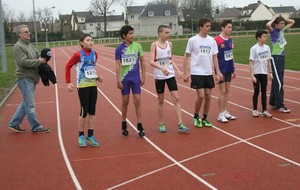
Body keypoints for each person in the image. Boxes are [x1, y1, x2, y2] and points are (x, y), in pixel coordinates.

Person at [8, 25, 50, 133]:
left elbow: (37, 54)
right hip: (25, 77)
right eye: (26, 32)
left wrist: (45, 54)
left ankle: (14, 123)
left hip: (31, 77)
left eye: (28, 31)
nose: (29, 33)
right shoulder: (18, 47)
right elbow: (23, 62)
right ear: (19, 35)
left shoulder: (29, 44)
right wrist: (38, 61)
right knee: (30, 104)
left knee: (25, 103)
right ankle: (36, 126)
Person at [183, 18, 223, 128]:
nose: (209, 28)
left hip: (208, 72)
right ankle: (196, 116)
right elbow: (186, 56)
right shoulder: (193, 40)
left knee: (208, 96)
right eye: (206, 26)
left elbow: (215, 57)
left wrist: (217, 72)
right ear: (200, 27)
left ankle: (205, 118)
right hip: (196, 72)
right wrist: (185, 72)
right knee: (201, 96)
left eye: (210, 26)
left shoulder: (212, 41)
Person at [149, 25, 189, 133]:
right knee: (161, 100)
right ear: (160, 33)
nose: (168, 35)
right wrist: (161, 68)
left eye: (169, 33)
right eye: (166, 33)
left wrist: (178, 70)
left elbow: (171, 59)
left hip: (170, 74)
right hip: (159, 76)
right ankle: (161, 123)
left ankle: (180, 123)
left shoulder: (169, 44)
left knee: (176, 98)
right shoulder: (154, 45)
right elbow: (151, 61)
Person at [65, 34, 103, 147]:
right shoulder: (78, 54)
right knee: (84, 111)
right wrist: (68, 82)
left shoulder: (95, 54)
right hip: (82, 86)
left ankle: (90, 135)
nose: (91, 42)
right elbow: (68, 66)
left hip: (93, 85)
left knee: (92, 111)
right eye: (88, 40)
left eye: (92, 40)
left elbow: (91, 70)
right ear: (82, 43)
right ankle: (81, 135)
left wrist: (98, 77)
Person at [115, 25, 146, 137]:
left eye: (133, 33)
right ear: (124, 35)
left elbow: (143, 62)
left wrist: (143, 76)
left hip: (135, 78)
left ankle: (140, 124)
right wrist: (118, 80)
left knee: (137, 100)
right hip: (125, 79)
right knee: (125, 101)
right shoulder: (119, 49)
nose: (132, 35)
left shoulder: (138, 46)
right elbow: (118, 66)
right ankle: (124, 122)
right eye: (130, 34)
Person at [266, 16, 295, 113]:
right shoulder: (273, 32)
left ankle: (274, 102)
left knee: (276, 80)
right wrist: (274, 18)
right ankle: (280, 105)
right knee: (279, 81)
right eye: (281, 24)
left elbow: (292, 21)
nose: (283, 25)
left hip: (281, 57)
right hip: (276, 57)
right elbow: (267, 25)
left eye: (283, 24)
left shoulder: (282, 31)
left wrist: (283, 19)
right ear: (276, 24)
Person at [214, 19, 236, 123]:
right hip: (221, 69)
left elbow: (231, 54)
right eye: (228, 27)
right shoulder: (217, 40)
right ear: (223, 28)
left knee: (227, 90)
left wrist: (234, 68)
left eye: (231, 27)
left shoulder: (230, 39)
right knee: (221, 91)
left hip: (229, 68)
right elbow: (214, 57)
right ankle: (220, 113)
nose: (230, 29)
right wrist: (217, 71)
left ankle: (225, 111)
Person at [249, 30, 273, 118]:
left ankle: (264, 110)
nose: (266, 38)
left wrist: (270, 72)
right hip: (256, 73)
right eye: (264, 36)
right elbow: (251, 62)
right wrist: (252, 75)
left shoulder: (267, 48)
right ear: (258, 38)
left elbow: (268, 60)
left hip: (264, 73)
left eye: (266, 36)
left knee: (264, 91)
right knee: (256, 91)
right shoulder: (254, 48)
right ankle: (255, 109)